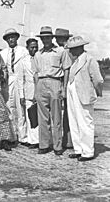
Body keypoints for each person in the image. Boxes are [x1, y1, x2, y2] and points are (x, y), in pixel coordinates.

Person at [33, 26, 71, 155]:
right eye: (43, 38)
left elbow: (66, 69)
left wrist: (64, 88)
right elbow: (36, 73)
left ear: (52, 38)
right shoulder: (38, 54)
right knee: (42, 117)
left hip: (55, 82)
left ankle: (58, 146)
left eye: (48, 37)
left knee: (56, 117)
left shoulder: (61, 51)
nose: (45, 40)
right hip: (41, 83)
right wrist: (36, 90)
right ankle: (44, 145)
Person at [66, 36, 103, 161]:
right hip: (72, 93)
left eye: (72, 49)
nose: (70, 51)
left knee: (85, 122)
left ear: (79, 48)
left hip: (84, 95)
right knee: (74, 120)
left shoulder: (89, 60)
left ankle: (87, 152)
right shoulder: (75, 61)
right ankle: (78, 149)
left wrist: (96, 92)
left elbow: (98, 80)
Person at [0, 28, 28, 146]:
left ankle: (23, 137)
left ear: (17, 38)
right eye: (8, 38)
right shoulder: (3, 53)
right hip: (8, 81)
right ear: (6, 40)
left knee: (21, 109)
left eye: (13, 37)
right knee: (9, 108)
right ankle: (12, 136)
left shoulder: (23, 51)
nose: (11, 39)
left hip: (20, 80)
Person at [17, 38, 39, 148]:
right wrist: (21, 95)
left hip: (41, 90)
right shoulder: (23, 61)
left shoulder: (41, 58)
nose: (34, 49)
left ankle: (42, 140)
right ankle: (32, 140)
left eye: (36, 47)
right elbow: (21, 79)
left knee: (41, 117)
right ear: (27, 48)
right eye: (32, 47)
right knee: (30, 116)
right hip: (29, 91)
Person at [54, 28, 73, 149]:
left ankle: (68, 140)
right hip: (70, 83)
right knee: (69, 112)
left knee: (68, 113)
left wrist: (64, 87)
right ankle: (69, 139)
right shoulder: (72, 49)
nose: (56, 40)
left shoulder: (64, 51)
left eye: (57, 38)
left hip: (67, 83)